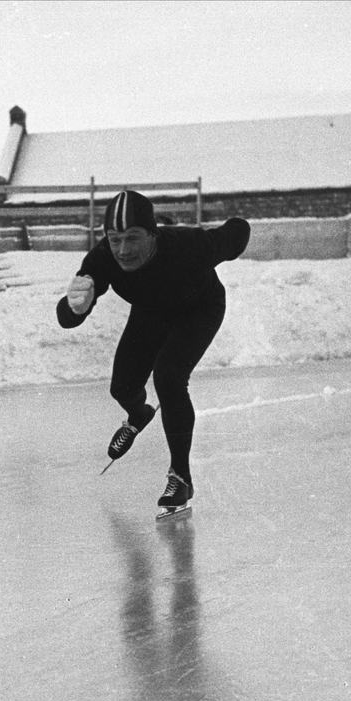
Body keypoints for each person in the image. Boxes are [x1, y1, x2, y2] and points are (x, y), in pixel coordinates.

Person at [57, 190, 251, 511]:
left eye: (133, 238)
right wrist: (74, 307)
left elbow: (238, 231)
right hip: (151, 312)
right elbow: (67, 318)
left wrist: (235, 226)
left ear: (152, 233)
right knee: (122, 387)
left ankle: (181, 477)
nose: (123, 250)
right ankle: (138, 415)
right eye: (114, 238)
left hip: (199, 308)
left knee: (169, 377)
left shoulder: (187, 246)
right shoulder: (103, 258)